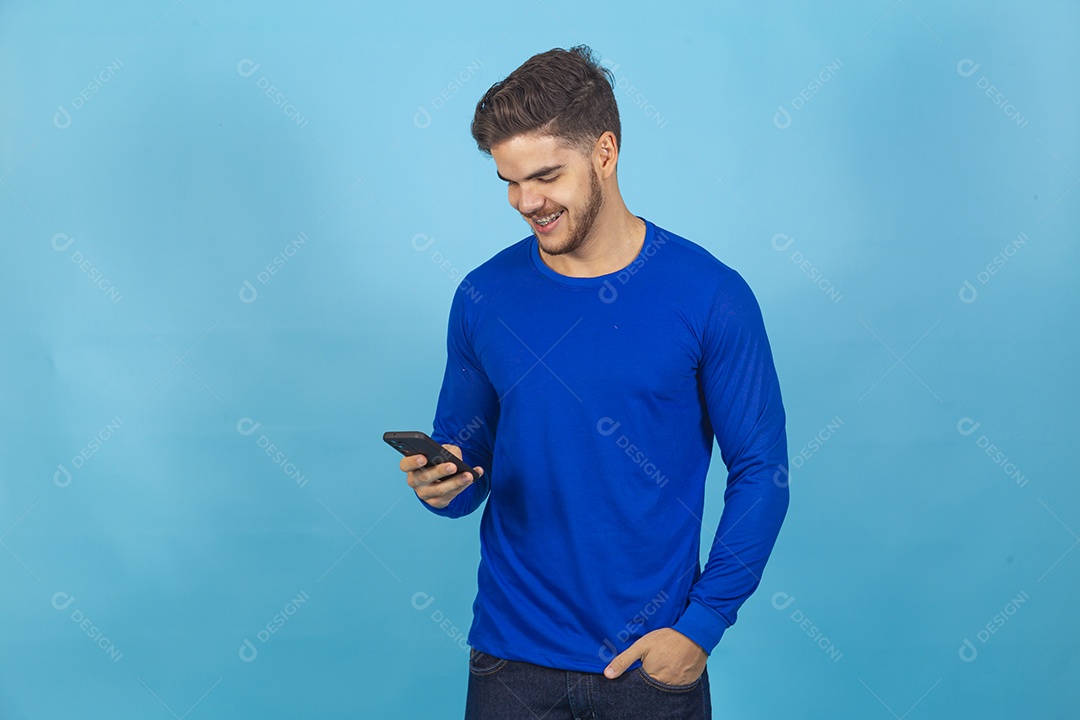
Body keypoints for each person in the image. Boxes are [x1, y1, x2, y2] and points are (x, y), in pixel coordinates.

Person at [398, 44, 789, 720]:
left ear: (605, 151)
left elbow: (762, 470)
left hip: (648, 668)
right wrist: (446, 481)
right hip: (508, 663)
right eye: (509, 182)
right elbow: (468, 461)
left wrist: (702, 627)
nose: (527, 202)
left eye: (545, 176)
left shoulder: (709, 295)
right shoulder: (483, 296)